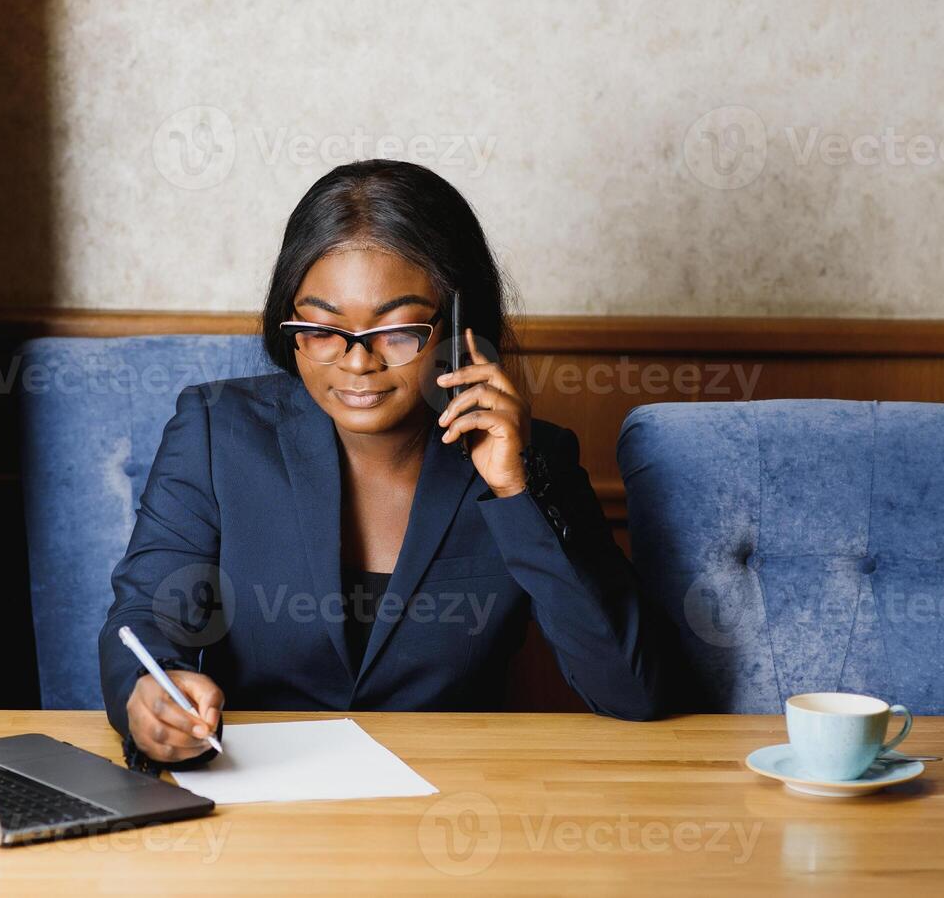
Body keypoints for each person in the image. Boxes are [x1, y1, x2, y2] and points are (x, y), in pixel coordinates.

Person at [98, 159, 669, 771]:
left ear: (457, 328)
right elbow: (145, 620)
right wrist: (149, 696)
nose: (356, 362)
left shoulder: (532, 459)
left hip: (458, 822)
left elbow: (633, 691)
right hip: (260, 811)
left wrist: (515, 490)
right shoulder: (217, 432)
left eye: (395, 331)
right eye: (322, 328)